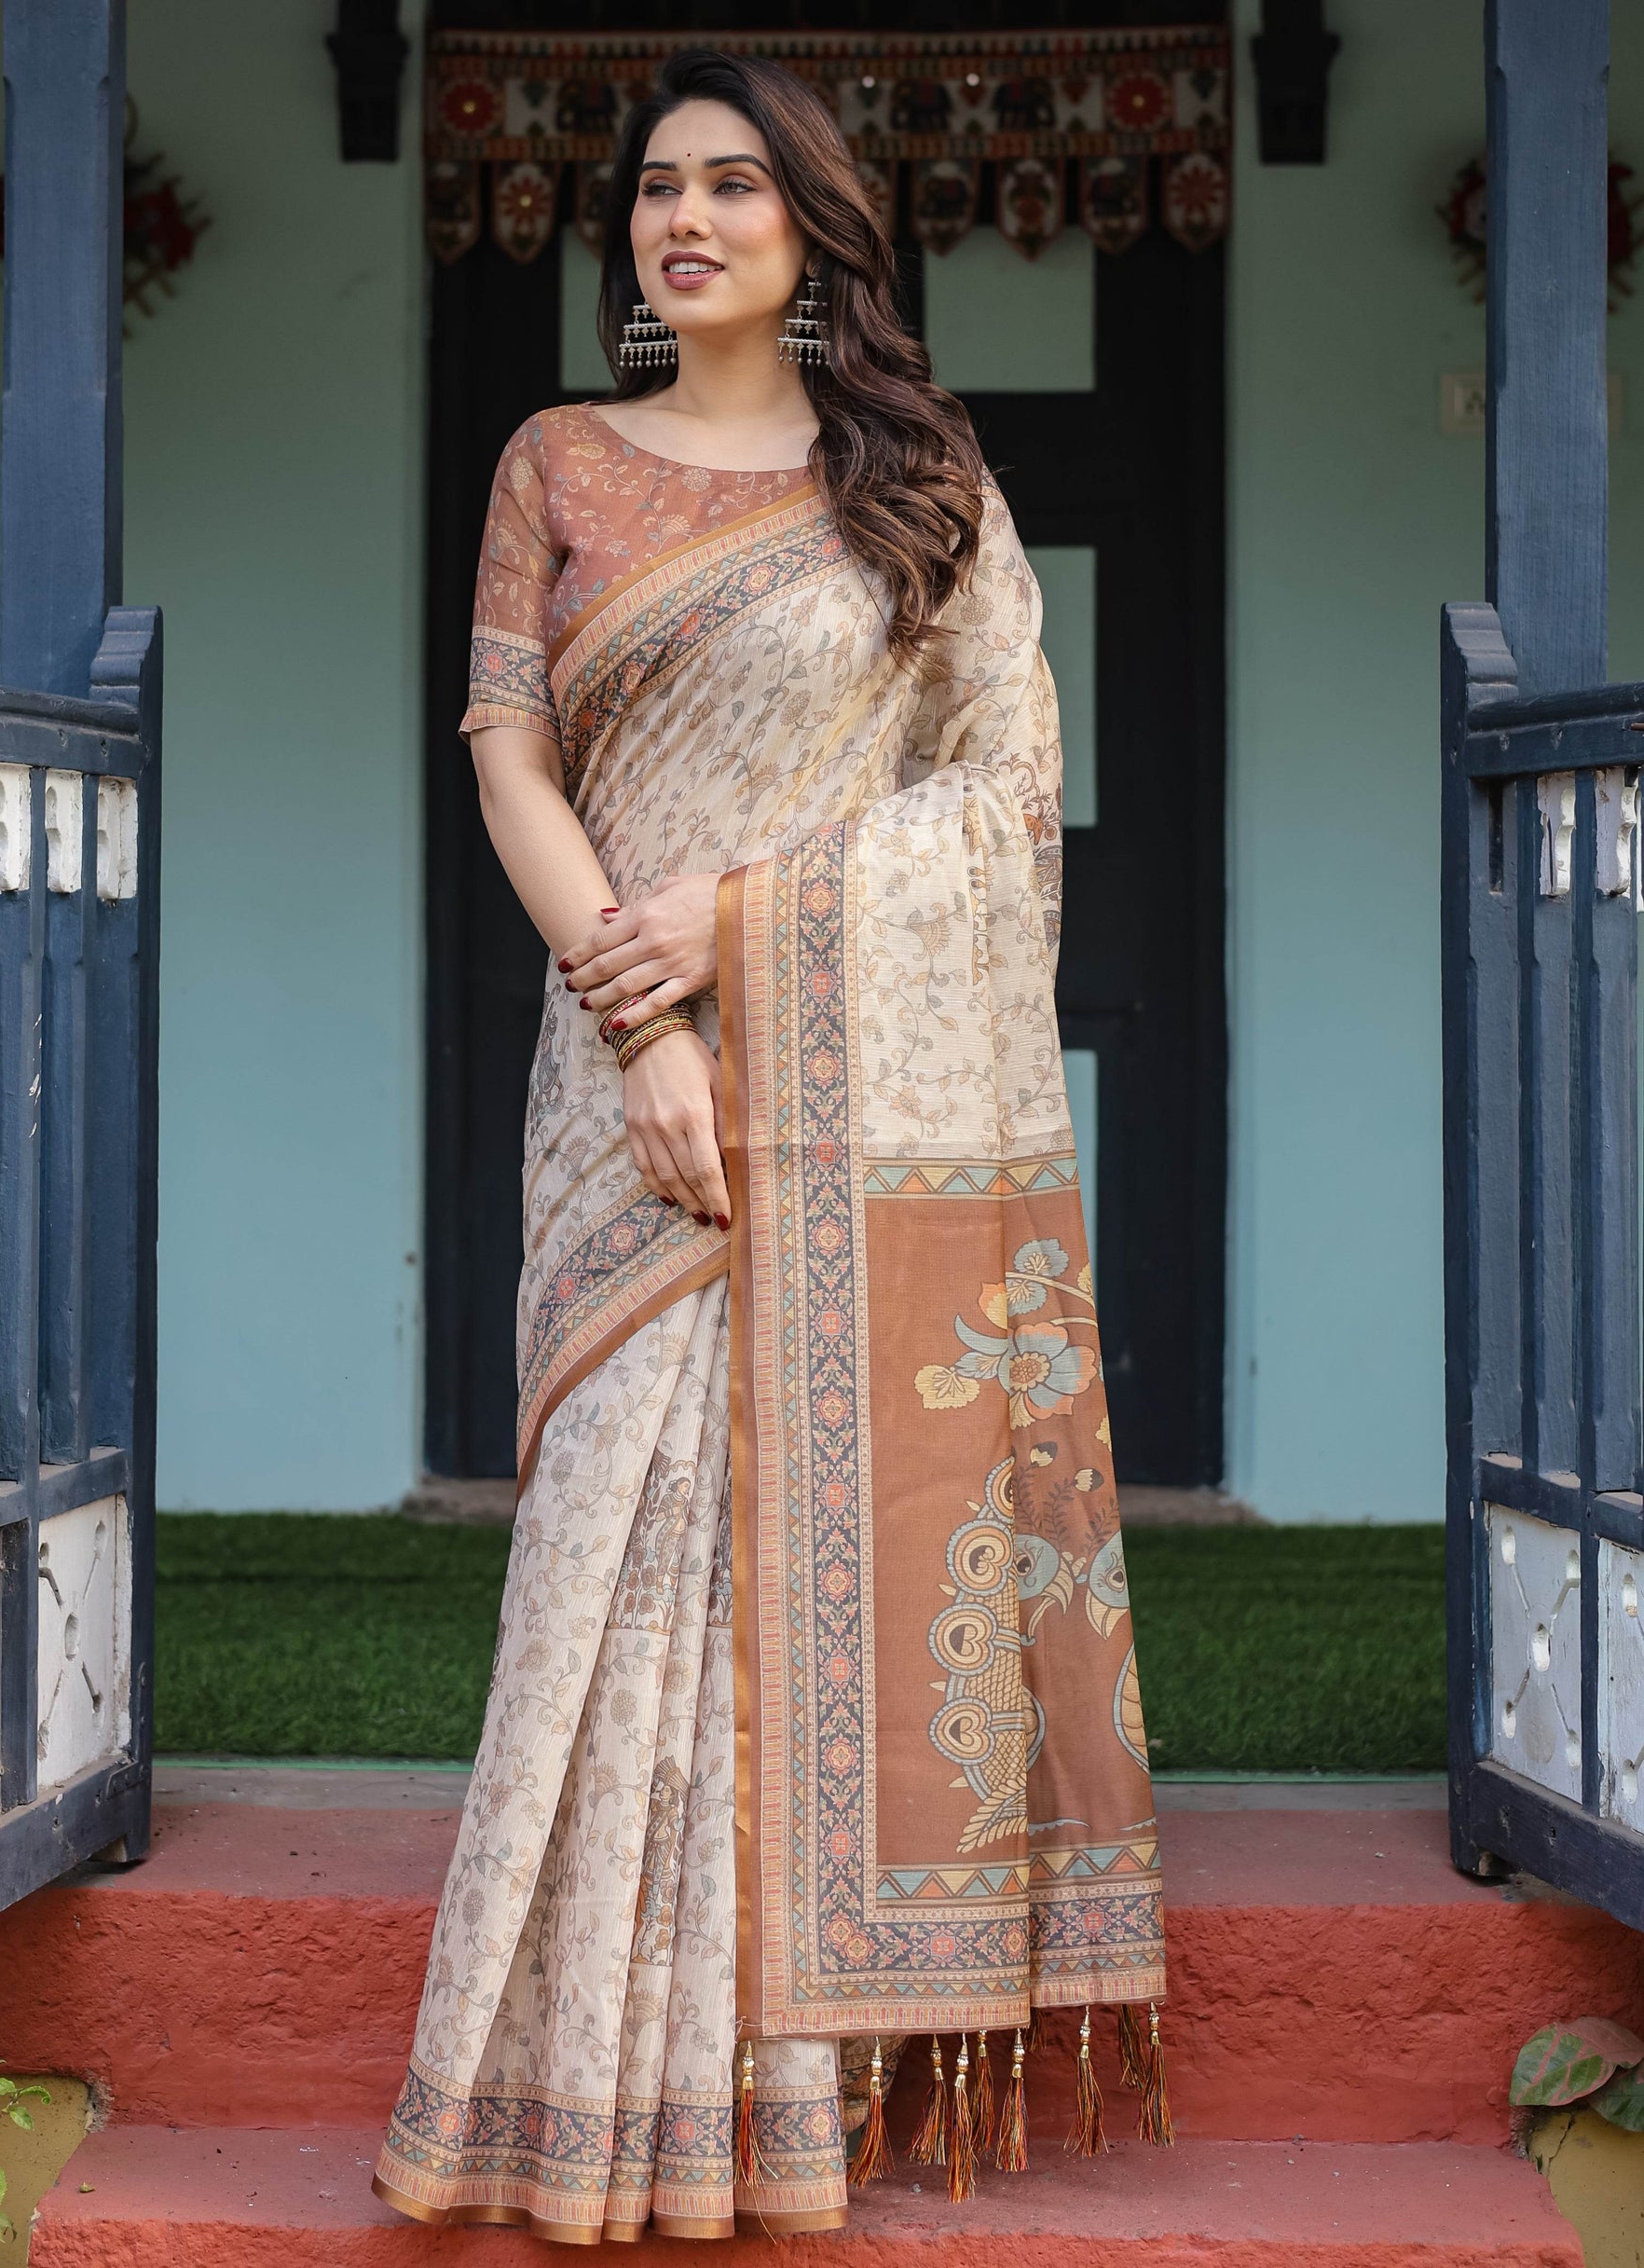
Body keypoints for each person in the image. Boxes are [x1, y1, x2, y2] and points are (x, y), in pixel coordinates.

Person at [374, 47, 1168, 2244]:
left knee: (822, 1558)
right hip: (618, 1068)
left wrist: (740, 930)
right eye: (654, 189)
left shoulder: (915, 484)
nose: (683, 218)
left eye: (734, 185)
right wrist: (644, 1017)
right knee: (609, 1552)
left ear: (816, 226)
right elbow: (508, 750)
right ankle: (561, 2098)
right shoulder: (557, 458)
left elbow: (1003, 804)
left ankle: (787, 2114)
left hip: (846, 1095)